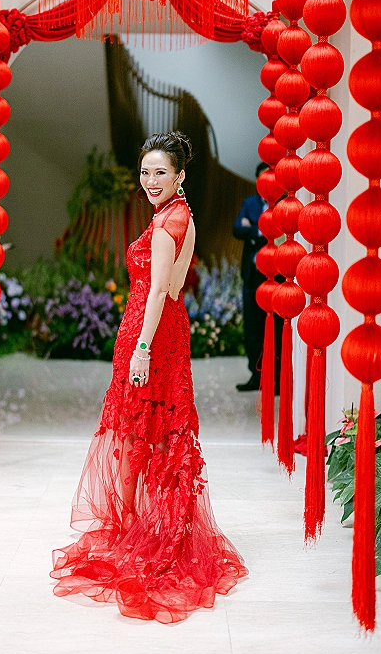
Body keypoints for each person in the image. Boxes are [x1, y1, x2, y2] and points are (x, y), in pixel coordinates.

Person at [51, 131, 247, 623]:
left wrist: (140, 348)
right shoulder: (184, 217)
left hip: (149, 333)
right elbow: (179, 285)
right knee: (156, 431)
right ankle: (156, 526)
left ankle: (133, 529)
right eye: (145, 172)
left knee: (137, 429)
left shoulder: (166, 224)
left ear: (180, 176)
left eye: (161, 172)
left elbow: (161, 289)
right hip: (166, 331)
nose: (150, 181)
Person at [232, 163, 269, 391]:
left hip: (274, 277)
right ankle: (256, 375)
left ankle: (276, 376)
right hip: (252, 275)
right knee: (252, 327)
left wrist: (252, 228)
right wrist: (259, 230)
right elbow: (237, 229)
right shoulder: (250, 203)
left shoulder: (284, 202)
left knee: (274, 327)